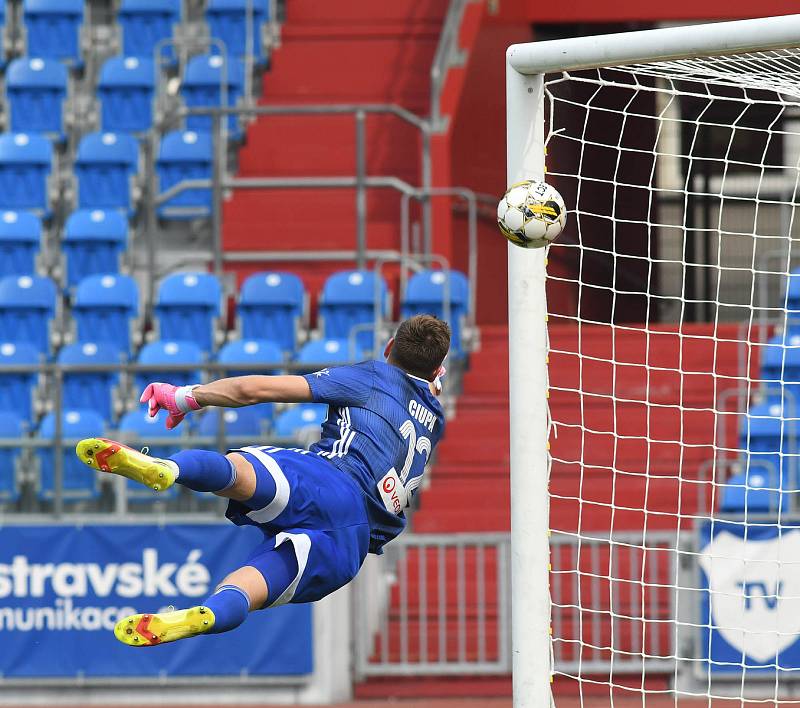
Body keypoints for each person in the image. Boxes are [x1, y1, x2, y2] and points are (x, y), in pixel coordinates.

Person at [76, 314, 450, 647]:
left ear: (389, 347)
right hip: (350, 547)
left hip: (331, 482)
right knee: (245, 588)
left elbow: (255, 390)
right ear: (437, 372)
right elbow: (422, 397)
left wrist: (187, 396)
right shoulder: (435, 419)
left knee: (238, 471)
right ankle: (206, 614)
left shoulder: (373, 376)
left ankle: (170, 470)